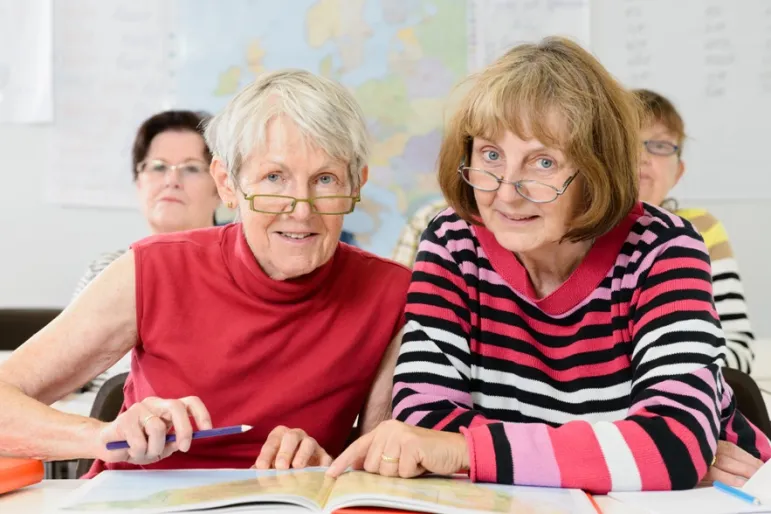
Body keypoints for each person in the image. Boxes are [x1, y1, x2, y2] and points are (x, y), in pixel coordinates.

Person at [327, 37, 771, 493]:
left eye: (543, 162)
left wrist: (468, 451)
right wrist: (619, 454)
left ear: (598, 168)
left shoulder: (665, 248)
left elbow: (672, 447)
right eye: (491, 155)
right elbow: (422, 422)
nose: (506, 192)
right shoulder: (451, 241)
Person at [0, 69, 410, 476]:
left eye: (325, 179)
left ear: (356, 185)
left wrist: (331, 466)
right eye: (274, 178)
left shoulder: (392, 293)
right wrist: (102, 437)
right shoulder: (152, 271)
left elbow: (382, 460)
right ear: (227, 184)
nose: (301, 210)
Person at [392, 91, 756, 376]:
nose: (643, 159)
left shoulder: (679, 240)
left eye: (659, 146)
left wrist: (682, 384)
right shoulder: (448, 234)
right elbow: (418, 365)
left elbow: (672, 428)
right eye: (490, 154)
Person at [71, 110, 222, 390]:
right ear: (139, 183)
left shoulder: (238, 274)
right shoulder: (105, 269)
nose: (171, 180)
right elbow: (64, 375)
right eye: (158, 166)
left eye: (190, 168)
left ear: (221, 186)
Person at [634, 89, 754, 373]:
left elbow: (740, 347)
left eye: (660, 146)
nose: (641, 157)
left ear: (678, 173)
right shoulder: (581, 234)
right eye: (626, 142)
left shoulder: (701, 229)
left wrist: (681, 372)